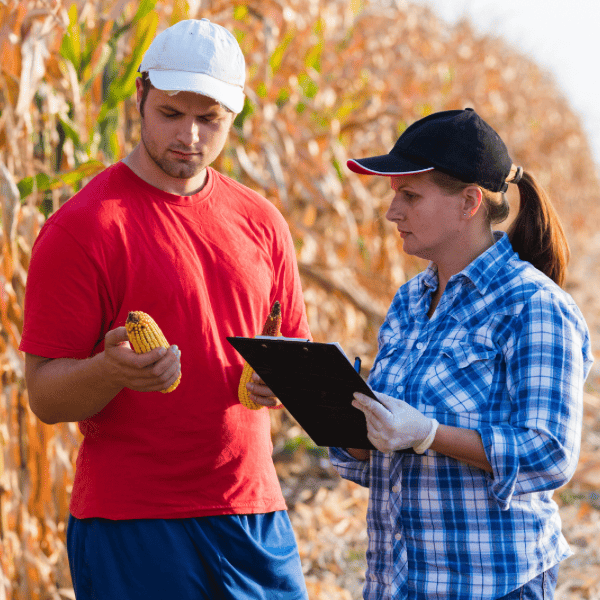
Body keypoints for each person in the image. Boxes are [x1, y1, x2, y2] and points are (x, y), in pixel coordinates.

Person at [20, 19, 310, 600]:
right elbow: (45, 396)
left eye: (210, 120)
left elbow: (292, 353)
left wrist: (279, 383)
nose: (191, 137)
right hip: (133, 522)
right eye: (172, 114)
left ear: (236, 114)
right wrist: (109, 371)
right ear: (140, 98)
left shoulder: (262, 222)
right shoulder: (83, 228)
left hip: (252, 513)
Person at [329, 108, 594, 599]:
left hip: (491, 582)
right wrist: (328, 405)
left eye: (410, 196)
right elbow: (381, 461)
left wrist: (430, 434)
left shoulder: (534, 305)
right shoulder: (410, 300)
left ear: (469, 202)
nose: (393, 213)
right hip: (398, 581)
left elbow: (551, 454)